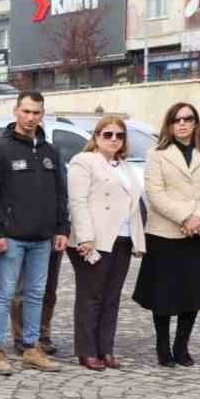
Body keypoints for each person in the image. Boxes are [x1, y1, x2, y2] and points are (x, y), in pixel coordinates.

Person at [0, 91, 68, 375]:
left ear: (43, 114)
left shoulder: (49, 151)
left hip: (42, 239)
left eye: (36, 112)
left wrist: (61, 228)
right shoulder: (1, 149)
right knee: (4, 295)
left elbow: (60, 194)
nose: (31, 118)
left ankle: (32, 348)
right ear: (16, 111)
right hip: (11, 237)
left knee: (35, 295)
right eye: (26, 111)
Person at [133, 101, 200, 367]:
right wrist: (186, 216)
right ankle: (162, 345)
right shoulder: (156, 154)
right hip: (166, 233)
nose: (182, 123)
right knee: (164, 293)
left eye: (187, 119)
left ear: (195, 123)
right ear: (169, 124)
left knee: (193, 292)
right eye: (176, 119)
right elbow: (155, 194)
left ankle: (182, 345)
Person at [66, 115, 144, 369]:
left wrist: (138, 241)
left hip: (121, 239)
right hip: (95, 241)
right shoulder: (84, 161)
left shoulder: (127, 167)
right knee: (91, 297)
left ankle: (105, 348)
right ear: (96, 137)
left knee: (112, 298)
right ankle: (87, 350)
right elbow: (77, 201)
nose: (113, 139)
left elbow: (134, 207)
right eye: (107, 134)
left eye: (119, 135)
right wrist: (86, 237)